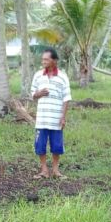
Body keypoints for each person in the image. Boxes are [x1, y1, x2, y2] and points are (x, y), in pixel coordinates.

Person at [30, 48, 71, 179]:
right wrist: (39, 93)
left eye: (46, 59)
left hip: (56, 119)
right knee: (40, 146)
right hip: (41, 119)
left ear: (54, 61)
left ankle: (55, 171)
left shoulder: (63, 77)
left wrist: (63, 117)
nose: (43, 62)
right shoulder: (38, 75)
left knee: (57, 146)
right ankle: (44, 171)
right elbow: (32, 94)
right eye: (42, 59)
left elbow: (66, 98)